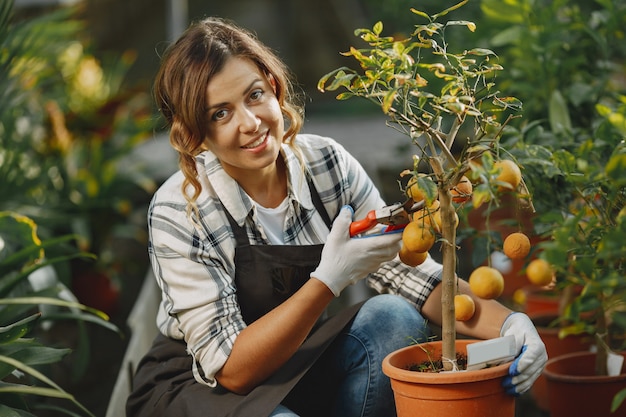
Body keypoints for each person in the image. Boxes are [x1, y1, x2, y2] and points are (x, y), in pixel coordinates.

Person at [126, 17, 547, 417]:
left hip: (300, 364)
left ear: (274, 88)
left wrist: (510, 324)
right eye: (221, 113)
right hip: (202, 391)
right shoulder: (182, 208)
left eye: (255, 95)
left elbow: (411, 276)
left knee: (393, 319)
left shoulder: (326, 165)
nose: (251, 123)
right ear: (197, 133)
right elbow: (233, 371)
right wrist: (328, 280)